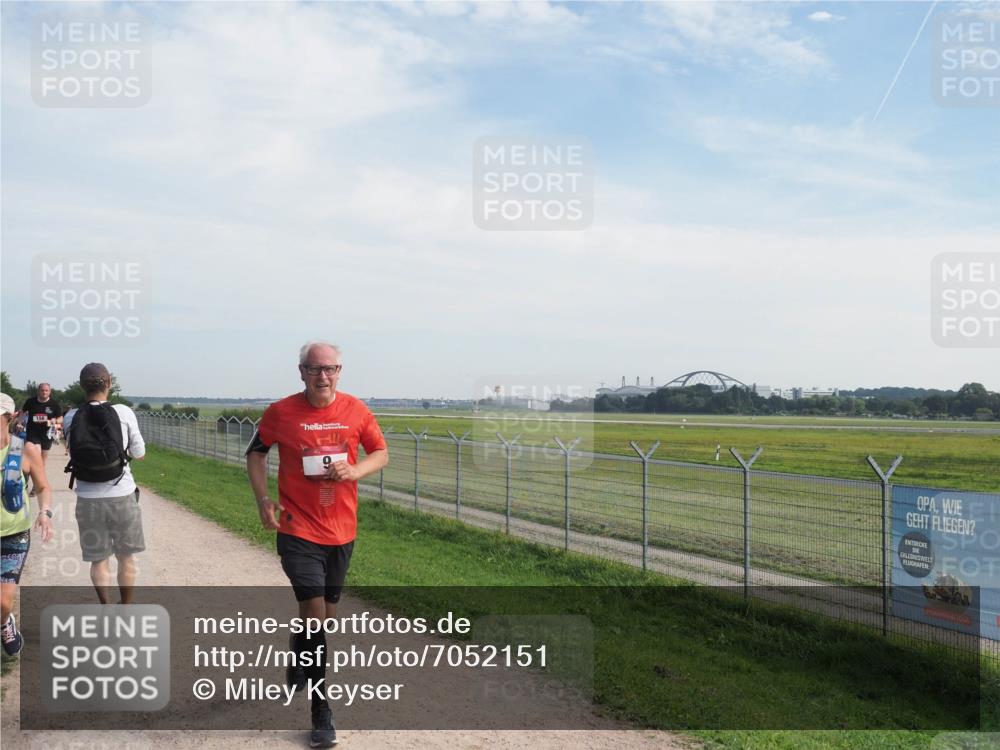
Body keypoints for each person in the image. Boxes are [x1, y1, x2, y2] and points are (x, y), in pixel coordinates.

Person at [246, 342, 388, 749]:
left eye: (330, 369)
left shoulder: (357, 411)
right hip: (297, 529)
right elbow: (255, 455)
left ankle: (299, 647)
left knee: (323, 619)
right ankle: (321, 709)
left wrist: (356, 468)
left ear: (340, 371)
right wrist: (263, 499)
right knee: (313, 609)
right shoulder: (281, 413)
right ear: (301, 371)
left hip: (342, 530)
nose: (322, 376)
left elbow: (381, 452)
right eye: (314, 369)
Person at [62, 364, 146, 605]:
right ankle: (126, 607)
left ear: (81, 385)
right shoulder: (123, 412)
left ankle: (106, 608)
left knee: (98, 560)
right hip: (122, 493)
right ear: (109, 382)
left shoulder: (71, 416)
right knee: (126, 558)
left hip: (87, 497)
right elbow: (139, 452)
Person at [1, 392, 54, 657]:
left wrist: (45, 513)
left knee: (2, 600)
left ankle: (4, 623)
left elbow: (43, 487)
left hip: (14, 534)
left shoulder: (26, 450)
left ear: (9, 418)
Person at [20, 383, 63, 495]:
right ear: (38, 391)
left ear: (50, 392)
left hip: (47, 435)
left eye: (46, 390)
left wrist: (55, 421)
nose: (44, 392)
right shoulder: (31, 401)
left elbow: (60, 418)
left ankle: (36, 485)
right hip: (32, 433)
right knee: (34, 457)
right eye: (42, 390)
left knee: (42, 462)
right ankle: (24, 483)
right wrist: (19, 423)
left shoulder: (53, 404)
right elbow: (22, 412)